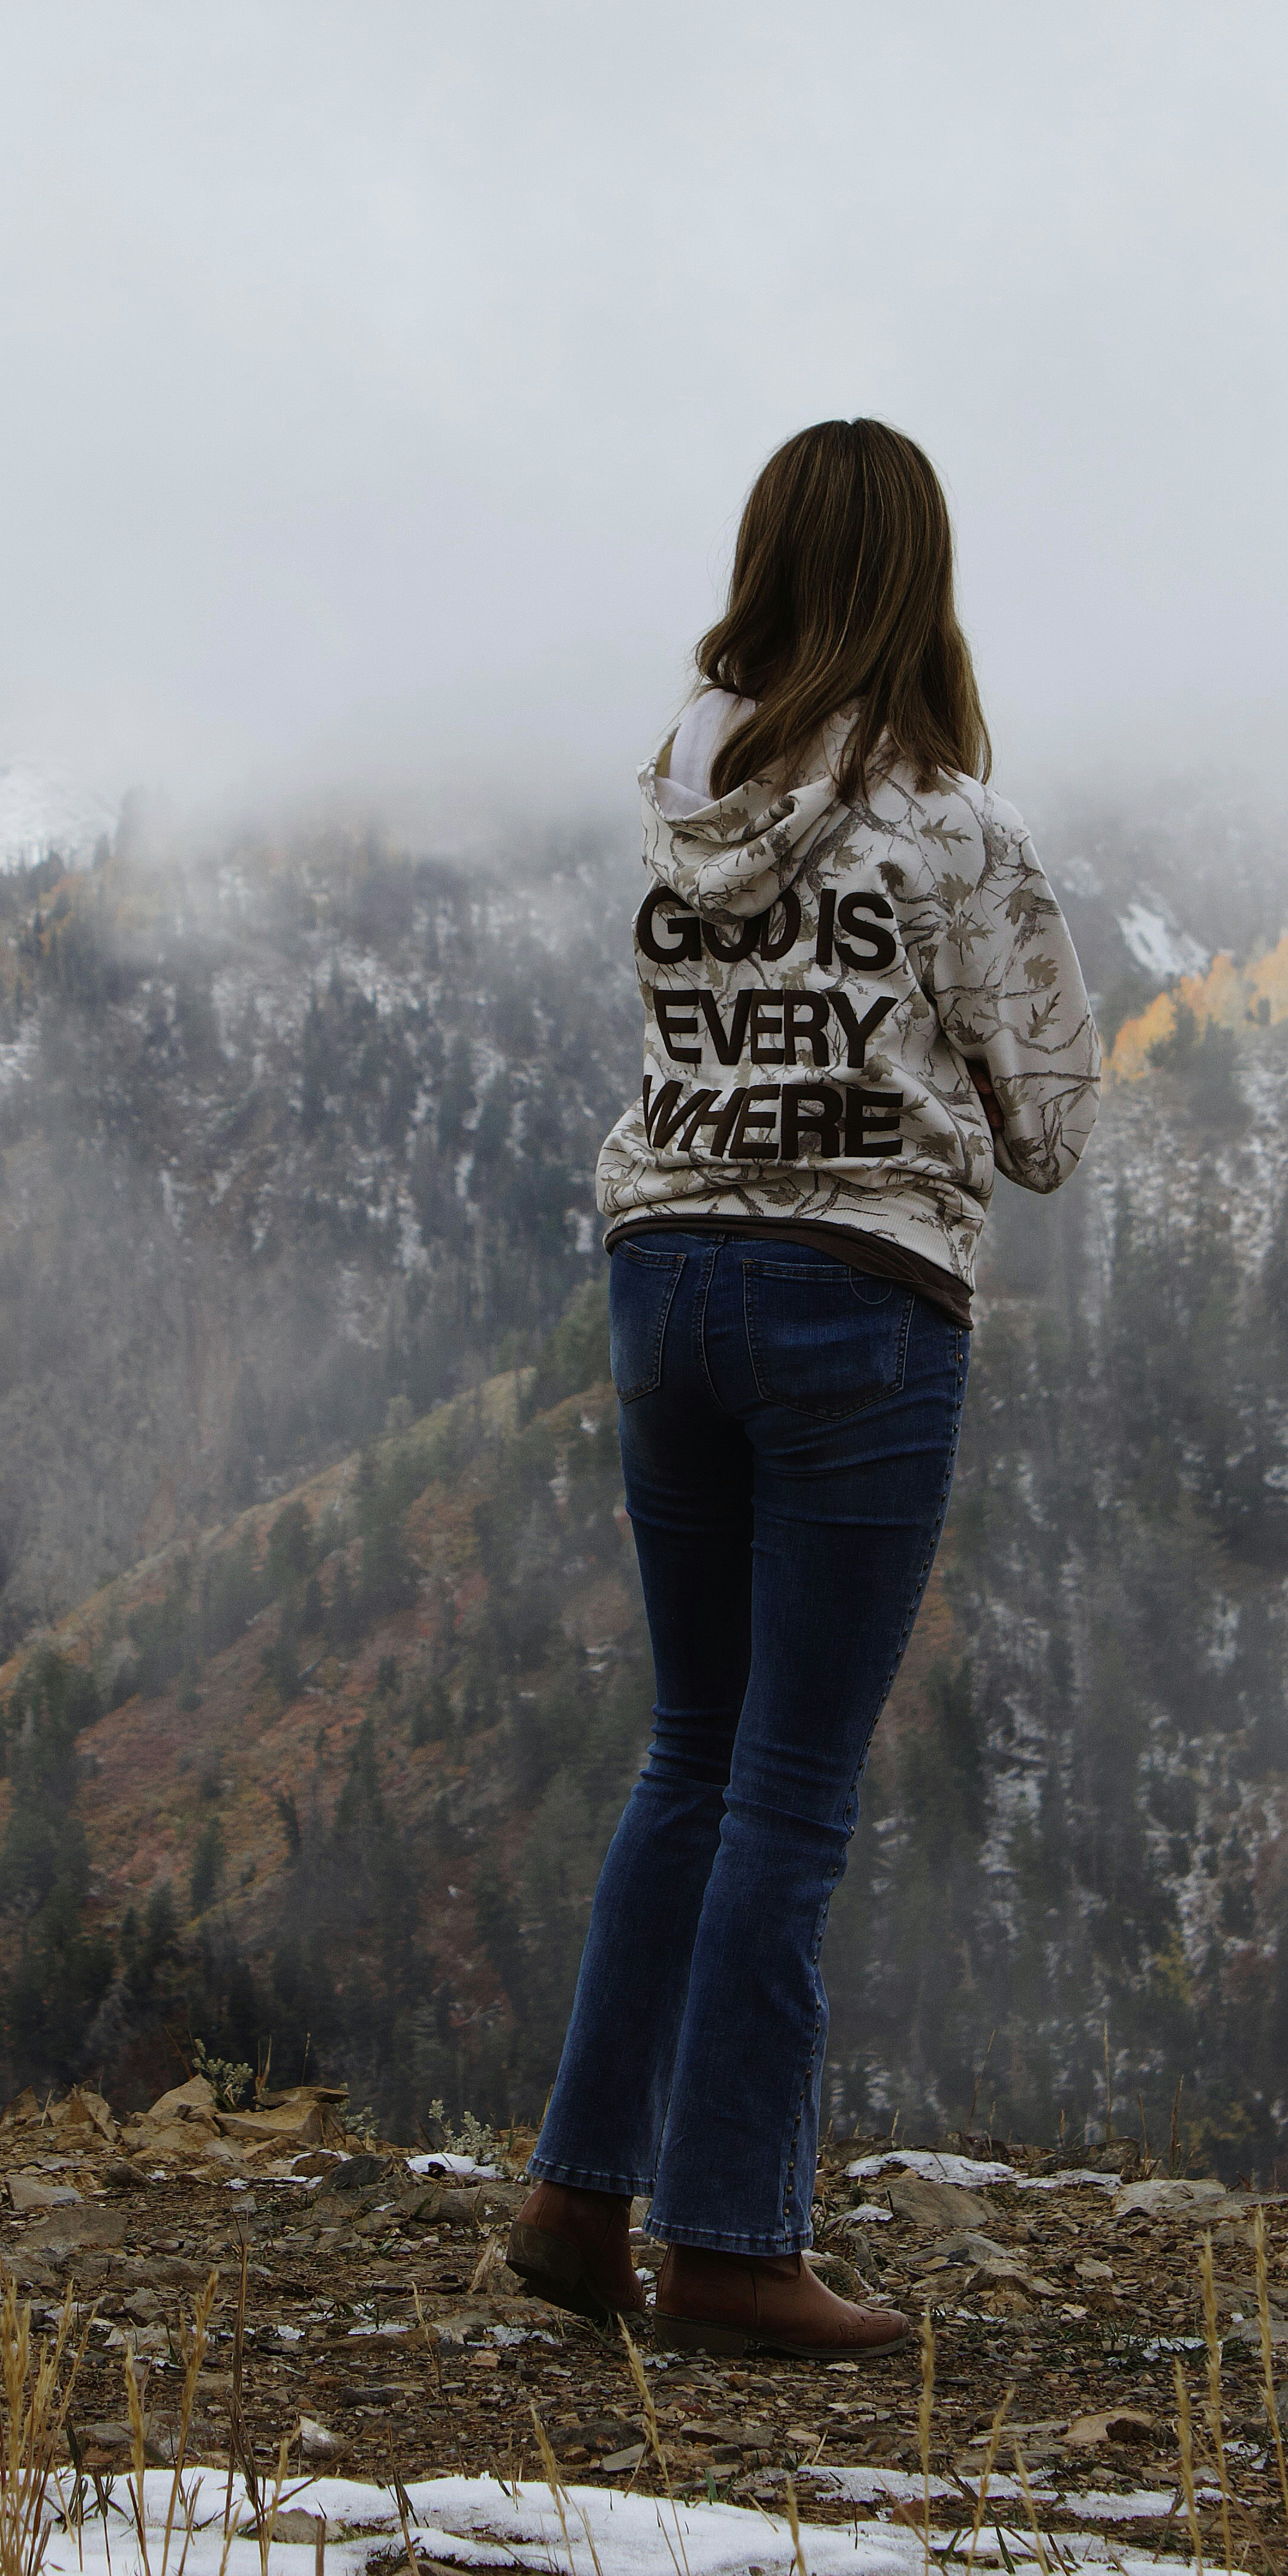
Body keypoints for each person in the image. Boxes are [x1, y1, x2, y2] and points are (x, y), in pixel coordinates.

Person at [507, 418, 1101, 2359]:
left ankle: (580, 2202)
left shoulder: (672, 798)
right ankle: (740, 2247)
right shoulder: (954, 832)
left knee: (688, 1749)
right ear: (920, 582)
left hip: (662, 1275)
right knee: (789, 1786)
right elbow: (1052, 1125)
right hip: (858, 1297)